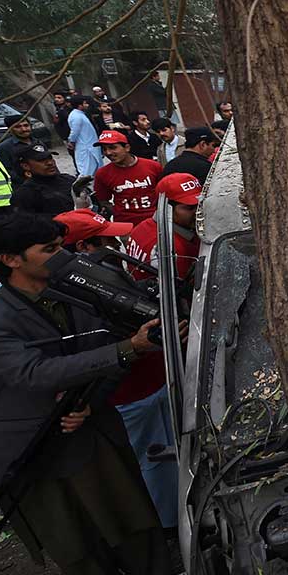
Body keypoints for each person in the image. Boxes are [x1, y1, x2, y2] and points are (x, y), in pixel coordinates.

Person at [0, 213, 188, 575]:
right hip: (34, 447)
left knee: (128, 507)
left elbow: (103, 352)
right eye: (49, 251)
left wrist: (91, 402)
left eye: (62, 246)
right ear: (11, 259)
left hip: (91, 426)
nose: (62, 257)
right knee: (74, 536)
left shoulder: (73, 292)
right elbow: (32, 375)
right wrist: (129, 347)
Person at [56, 207, 180, 529]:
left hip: (154, 382)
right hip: (131, 395)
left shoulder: (105, 277)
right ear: (82, 249)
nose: (118, 245)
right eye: (106, 240)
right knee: (152, 462)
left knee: (171, 454)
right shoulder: (83, 294)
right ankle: (167, 525)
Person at [125, 172, 201, 281]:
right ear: (166, 208)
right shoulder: (173, 249)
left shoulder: (141, 227)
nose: (198, 211)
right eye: (189, 208)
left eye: (200, 204)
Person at [92, 130, 163, 225]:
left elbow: (164, 193)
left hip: (156, 222)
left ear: (127, 148)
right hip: (126, 226)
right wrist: (118, 212)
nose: (108, 153)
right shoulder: (102, 174)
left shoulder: (153, 166)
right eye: (104, 149)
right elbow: (103, 200)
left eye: (112, 148)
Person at [10, 144, 76, 216]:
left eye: (50, 158)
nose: (50, 163)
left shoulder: (69, 180)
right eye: (41, 160)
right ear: (26, 166)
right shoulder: (25, 194)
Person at [66, 95, 103, 177]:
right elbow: (74, 132)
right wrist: (71, 142)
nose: (87, 105)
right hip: (86, 148)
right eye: (85, 103)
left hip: (90, 147)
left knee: (96, 171)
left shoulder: (81, 115)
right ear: (80, 105)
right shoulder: (76, 116)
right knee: (87, 172)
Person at [0, 114, 35, 183]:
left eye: (26, 125)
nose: (24, 129)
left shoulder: (37, 142)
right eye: (18, 127)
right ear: (10, 129)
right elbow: (6, 170)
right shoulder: (4, 147)